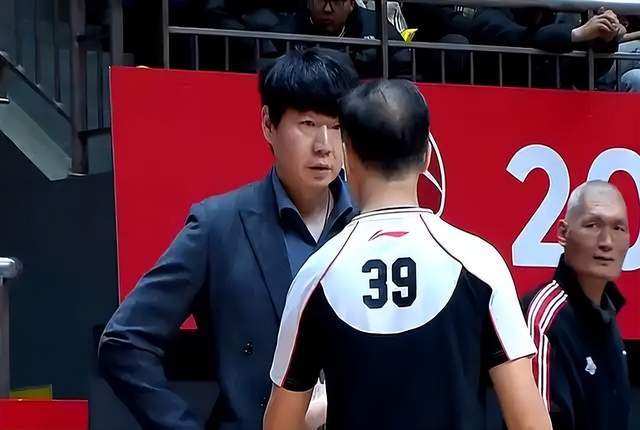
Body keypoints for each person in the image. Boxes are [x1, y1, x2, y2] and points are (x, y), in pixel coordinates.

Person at [264, 79, 551, 430]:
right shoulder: (479, 263)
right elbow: (529, 422)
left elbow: (279, 425)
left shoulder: (316, 275)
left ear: (347, 156)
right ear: (427, 155)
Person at [98, 47, 359, 430]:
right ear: (268, 124)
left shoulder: (371, 223)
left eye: (336, 126)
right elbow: (124, 342)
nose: (324, 145)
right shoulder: (218, 226)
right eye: (307, 123)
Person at [522, 181, 631, 430]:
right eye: (593, 225)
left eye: (618, 228)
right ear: (563, 233)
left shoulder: (607, 314)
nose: (607, 241)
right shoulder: (544, 317)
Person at [471, 8, 624, 88]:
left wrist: (605, 39)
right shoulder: (490, 14)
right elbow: (527, 38)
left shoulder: (556, 14)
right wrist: (577, 33)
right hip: (499, 107)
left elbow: (582, 77)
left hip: (554, 112)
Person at [272, 0, 411, 78]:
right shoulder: (284, 33)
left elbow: (405, 75)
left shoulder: (378, 28)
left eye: (336, 2)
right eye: (321, 1)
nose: (327, 9)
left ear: (351, 4)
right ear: (308, 3)